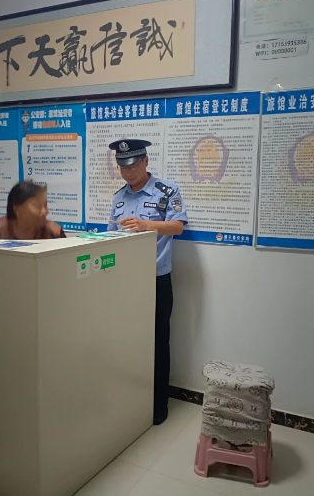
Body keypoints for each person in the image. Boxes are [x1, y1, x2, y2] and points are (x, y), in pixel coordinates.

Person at [107, 139, 188, 425]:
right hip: (125, 281)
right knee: (128, 340)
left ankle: (158, 405)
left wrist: (147, 225)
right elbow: (111, 235)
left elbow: (177, 226)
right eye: (122, 167)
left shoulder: (167, 191)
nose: (128, 172)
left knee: (158, 342)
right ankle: (131, 398)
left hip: (156, 280)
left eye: (132, 165)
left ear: (145, 161)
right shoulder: (119, 197)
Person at [0, 181, 65, 240]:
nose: (45, 212)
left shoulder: (54, 232)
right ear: (16, 207)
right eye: (37, 205)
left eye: (45, 205)